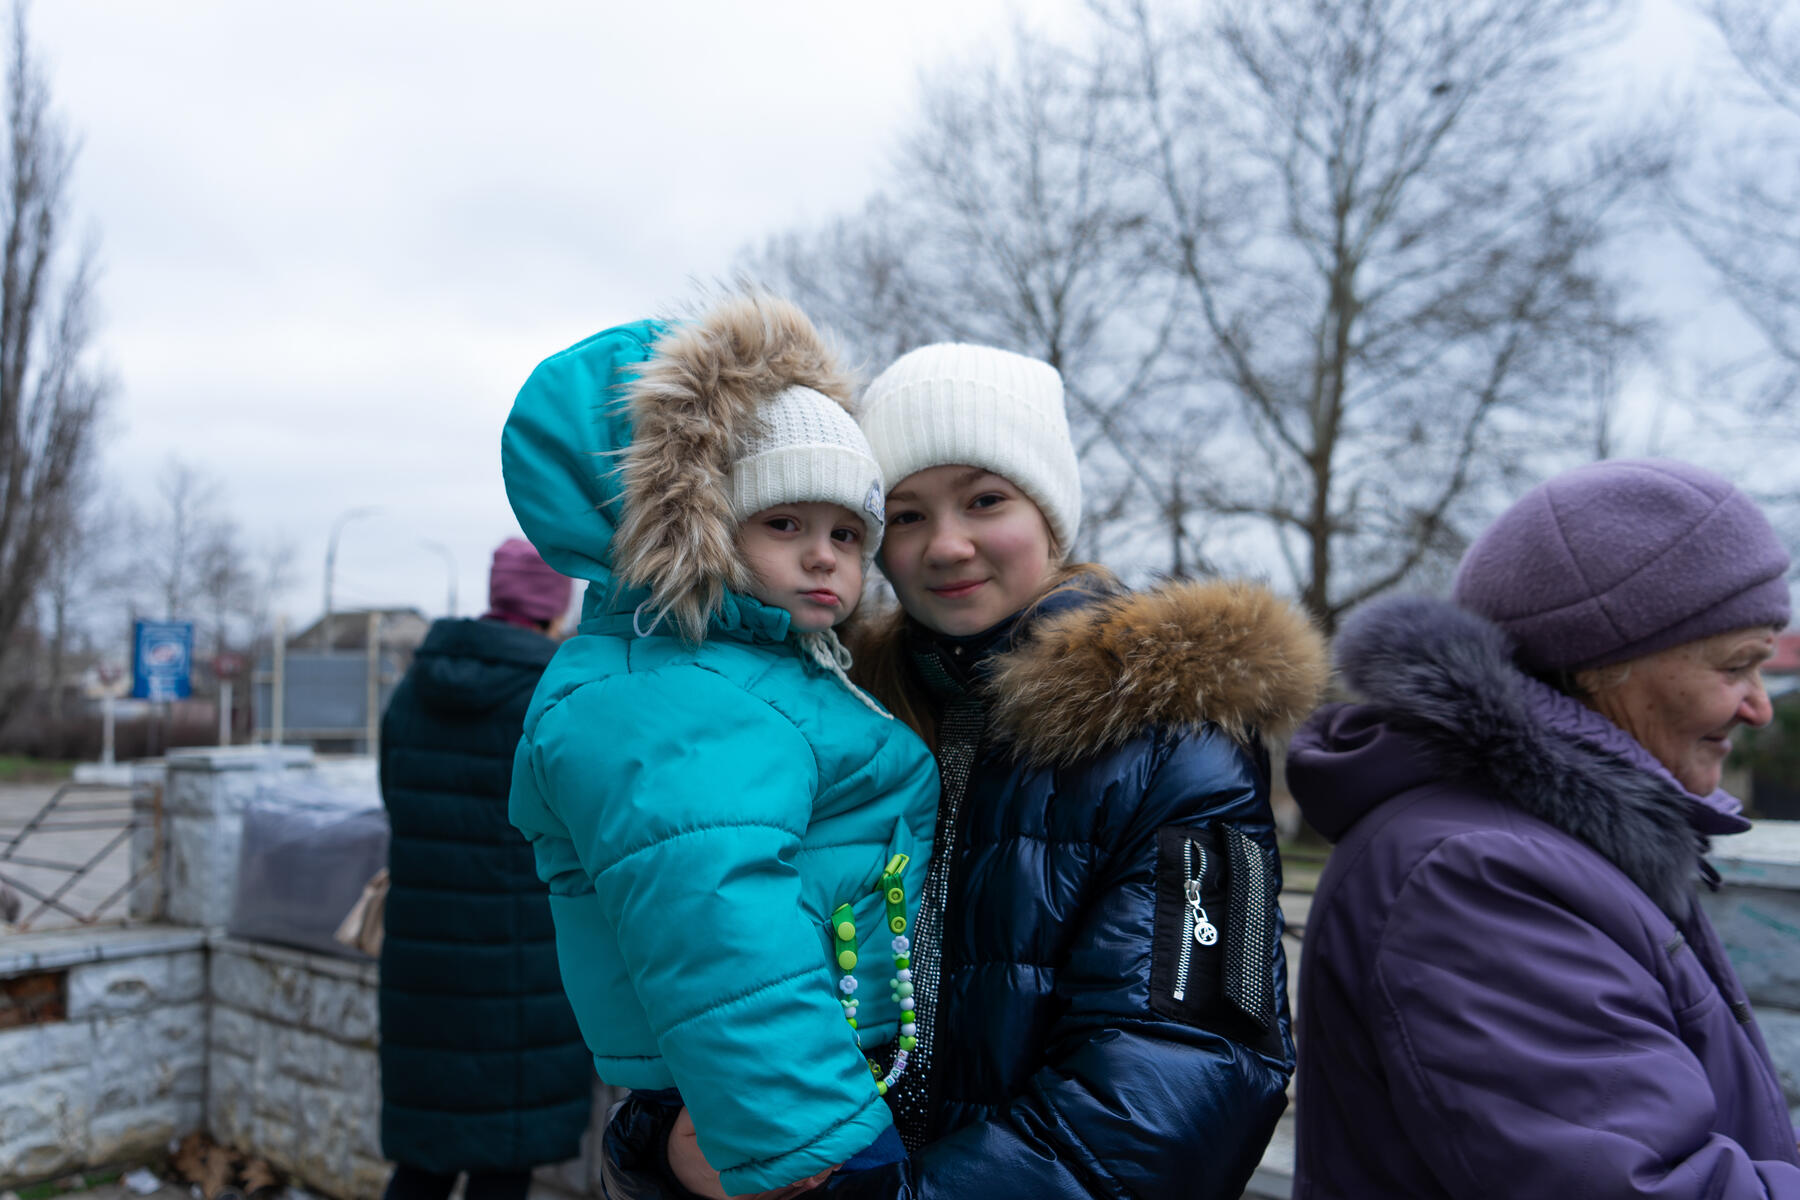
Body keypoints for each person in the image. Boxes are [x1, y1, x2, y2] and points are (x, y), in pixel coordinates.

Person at [613, 341, 1330, 1199]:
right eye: (907, 516)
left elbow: (1186, 1070)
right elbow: (718, 967)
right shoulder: (832, 719)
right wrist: (662, 1143)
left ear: (1050, 515)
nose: (947, 546)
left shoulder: (1173, 736)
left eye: (985, 500)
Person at [502, 293, 940, 1198]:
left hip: (806, 1071)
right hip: (788, 1106)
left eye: (848, 534)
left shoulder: (755, 672)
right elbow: (714, 910)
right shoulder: (668, 689)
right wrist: (805, 1140)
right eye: (784, 524)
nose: (825, 557)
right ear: (706, 531)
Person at [1288, 457, 1800, 1197]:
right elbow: (1645, 1183)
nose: (1761, 707)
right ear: (1599, 667)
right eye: (1736, 666)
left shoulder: (1556, 844)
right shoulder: (1481, 877)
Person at [376, 537, 592, 1200]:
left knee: (423, 1160)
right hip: (522, 972)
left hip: (426, 967)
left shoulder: (414, 688)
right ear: (553, 607)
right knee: (504, 1160)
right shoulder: (554, 698)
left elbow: (397, 802)